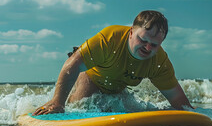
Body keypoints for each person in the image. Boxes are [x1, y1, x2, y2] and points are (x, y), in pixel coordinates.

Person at [33, 10, 193, 116]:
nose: (147, 47)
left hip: (117, 88)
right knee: (79, 109)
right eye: (143, 40)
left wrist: (194, 118)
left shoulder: (159, 62)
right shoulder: (110, 39)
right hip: (92, 77)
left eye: (154, 45)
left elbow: (178, 100)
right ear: (131, 32)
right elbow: (72, 65)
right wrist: (57, 102)